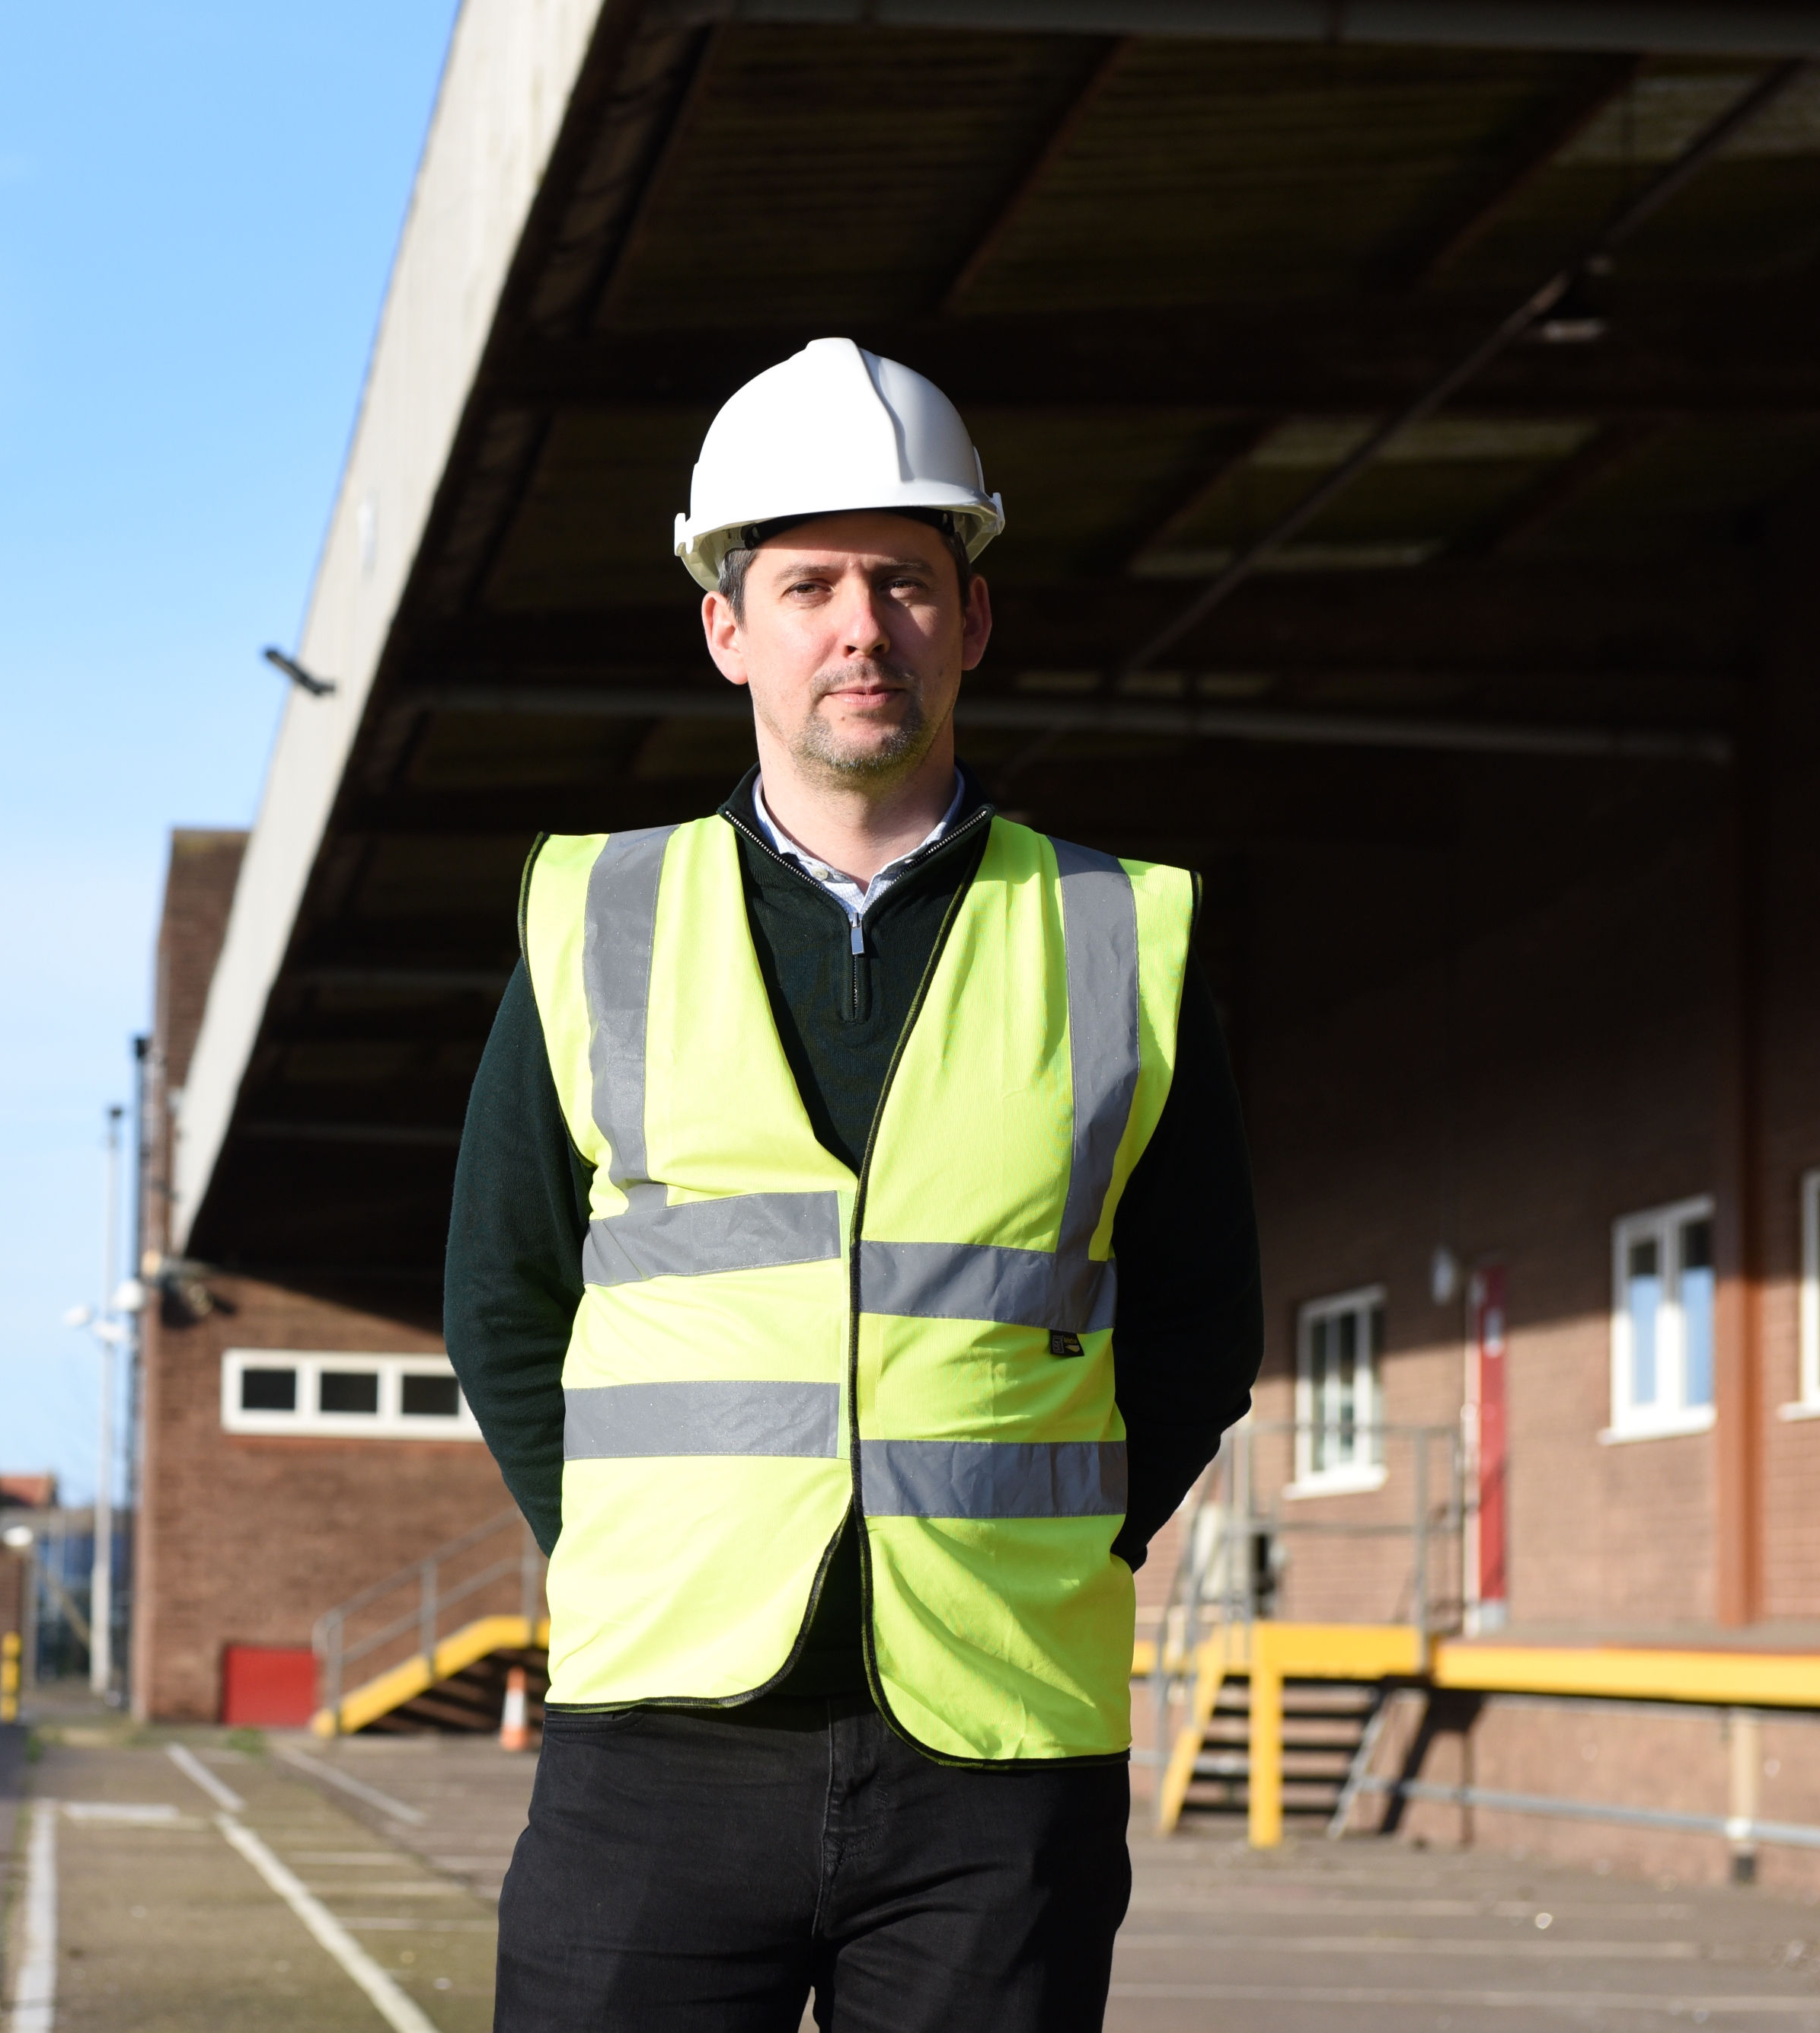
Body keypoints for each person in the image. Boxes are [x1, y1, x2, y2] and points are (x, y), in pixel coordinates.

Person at [447, 337, 1263, 2032]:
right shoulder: (599, 916)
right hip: (656, 1741)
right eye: (806, 584)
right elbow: (502, 1297)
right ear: (725, 627)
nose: (859, 626)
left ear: (972, 619)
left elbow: (1201, 1319)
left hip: (998, 1755)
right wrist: (635, 1542)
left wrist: (1054, 1546)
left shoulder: (1120, 931)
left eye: (903, 580)